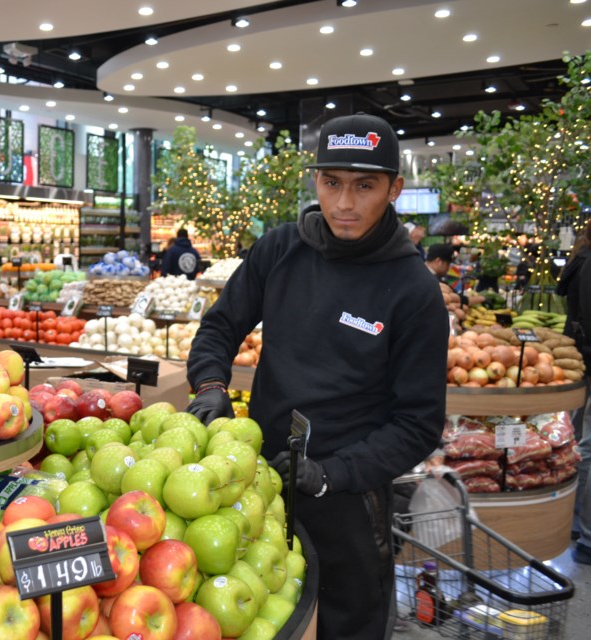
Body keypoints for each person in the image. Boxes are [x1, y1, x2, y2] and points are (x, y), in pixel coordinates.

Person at [185, 113, 448, 639]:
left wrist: (331, 474)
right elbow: (218, 328)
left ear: (394, 188)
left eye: (364, 186)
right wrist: (211, 387)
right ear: (316, 181)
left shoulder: (414, 290)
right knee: (267, 618)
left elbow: (418, 424)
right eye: (332, 183)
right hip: (257, 485)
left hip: (350, 502)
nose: (345, 204)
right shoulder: (280, 250)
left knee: (345, 623)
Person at [555, 223, 591, 564]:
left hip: (580, 356)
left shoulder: (579, 260)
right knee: (587, 445)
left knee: (579, 438)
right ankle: (584, 532)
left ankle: (576, 525)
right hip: (587, 354)